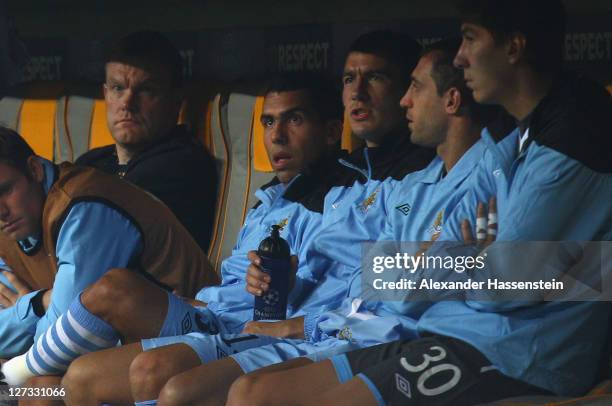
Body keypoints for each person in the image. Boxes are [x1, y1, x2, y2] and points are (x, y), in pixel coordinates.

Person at [230, 0, 612, 404]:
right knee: (255, 395)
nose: (461, 57)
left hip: (516, 353)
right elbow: (381, 277)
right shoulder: (507, 135)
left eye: (469, 39)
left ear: (513, 48)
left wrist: (473, 261)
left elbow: (507, 286)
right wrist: (477, 259)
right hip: (445, 328)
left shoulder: (574, 127)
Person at [114, 31, 436, 406]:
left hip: (390, 341)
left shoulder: (440, 176)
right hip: (323, 327)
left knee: (183, 384)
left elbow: (500, 281)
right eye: (349, 80)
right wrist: (289, 287)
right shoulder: (344, 180)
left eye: (378, 78)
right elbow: (345, 281)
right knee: (77, 379)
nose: (357, 94)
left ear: (450, 97)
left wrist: (303, 314)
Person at [2, 73, 345, 405]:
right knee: (44, 391)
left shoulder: (376, 200)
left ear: (331, 131)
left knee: (115, 297)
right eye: (268, 123)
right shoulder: (267, 204)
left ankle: (8, 378)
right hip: (210, 316)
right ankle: (13, 381)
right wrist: (37, 304)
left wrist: (296, 309)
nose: (277, 136)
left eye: (294, 120)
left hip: (269, 335)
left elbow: (383, 315)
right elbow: (234, 289)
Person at [0, 127, 217, 364]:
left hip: (199, 337)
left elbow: (61, 340)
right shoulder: (12, 222)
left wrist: (21, 314)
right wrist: (39, 303)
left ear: (35, 169)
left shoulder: (82, 207)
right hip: (121, 348)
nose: (1, 211)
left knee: (41, 387)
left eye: (5, 190)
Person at [75, 30, 217, 252]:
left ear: (176, 102)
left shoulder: (182, 163)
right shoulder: (90, 162)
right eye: (118, 88)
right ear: (105, 94)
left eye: (146, 90)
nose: (127, 103)